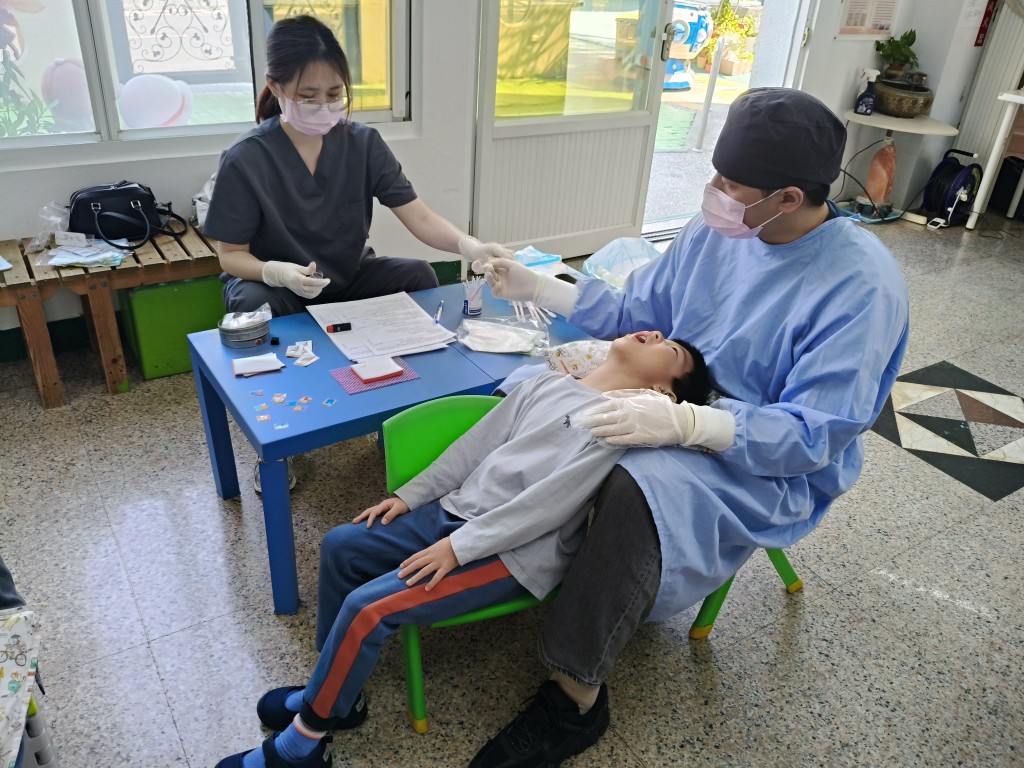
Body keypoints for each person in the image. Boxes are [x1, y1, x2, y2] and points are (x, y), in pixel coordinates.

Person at [470, 88, 910, 767]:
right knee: (543, 399)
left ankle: (574, 695)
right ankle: (484, 547)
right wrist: (543, 287)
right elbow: (640, 311)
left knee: (631, 480)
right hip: (677, 396)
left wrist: (690, 422)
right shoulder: (722, 231)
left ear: (789, 198)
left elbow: (814, 436)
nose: (714, 194)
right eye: (716, 175)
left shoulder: (859, 288)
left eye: (730, 185)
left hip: (764, 457)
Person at [215, 331, 712, 768]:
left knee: (368, 608)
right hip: (456, 514)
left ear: (661, 393)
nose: (653, 333)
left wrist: (458, 548)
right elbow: (474, 448)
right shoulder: (545, 384)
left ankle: (303, 743)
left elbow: (545, 507)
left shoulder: (618, 425)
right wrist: (410, 497)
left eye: (669, 349)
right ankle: (336, 698)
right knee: (341, 546)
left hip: (512, 554)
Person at [203, 15, 510, 319]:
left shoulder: (363, 144)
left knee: (418, 275)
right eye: (308, 97)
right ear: (275, 86)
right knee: (252, 302)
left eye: (334, 94)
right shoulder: (245, 158)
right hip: (280, 289)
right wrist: (277, 273)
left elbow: (420, 217)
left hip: (346, 279)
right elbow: (231, 255)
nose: (323, 105)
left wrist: (469, 246)